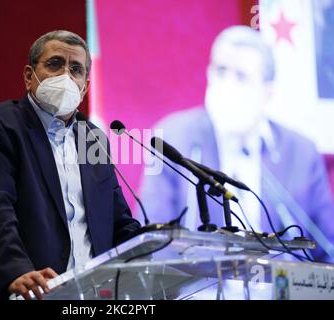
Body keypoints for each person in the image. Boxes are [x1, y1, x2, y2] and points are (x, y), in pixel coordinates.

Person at [0, 30, 140, 300]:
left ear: (85, 86)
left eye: (76, 69)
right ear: (28, 76)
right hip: (27, 291)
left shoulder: (93, 139)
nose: (65, 76)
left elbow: (118, 222)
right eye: (55, 64)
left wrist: (164, 250)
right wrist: (16, 270)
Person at [138, 26, 334, 263]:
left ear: (267, 91)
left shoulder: (301, 152)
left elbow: (328, 249)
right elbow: (151, 242)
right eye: (221, 71)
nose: (227, 84)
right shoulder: (174, 138)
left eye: (241, 76)